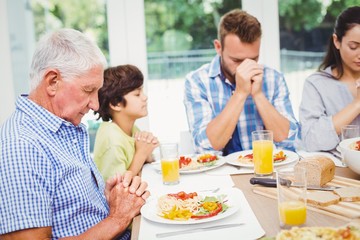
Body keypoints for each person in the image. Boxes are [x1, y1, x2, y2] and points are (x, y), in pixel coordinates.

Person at [0, 29, 149, 240]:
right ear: (52, 81)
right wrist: (116, 219)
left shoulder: (64, 125)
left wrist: (107, 199)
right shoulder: (21, 146)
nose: (96, 104)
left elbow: (71, 213)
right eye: (88, 90)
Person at [183, 9, 299, 156]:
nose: (246, 67)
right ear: (218, 47)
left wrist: (258, 95)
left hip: (266, 169)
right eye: (237, 60)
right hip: (220, 174)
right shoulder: (197, 82)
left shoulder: (274, 78)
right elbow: (206, 148)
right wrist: (240, 93)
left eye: (253, 59)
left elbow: (289, 141)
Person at [299, 6, 360, 152]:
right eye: (353, 47)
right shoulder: (316, 84)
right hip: (336, 172)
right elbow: (311, 141)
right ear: (337, 41)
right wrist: (357, 104)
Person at [93, 65, 159, 181]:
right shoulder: (111, 139)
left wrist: (147, 151)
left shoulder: (132, 129)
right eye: (137, 94)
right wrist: (142, 153)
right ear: (116, 103)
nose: (145, 97)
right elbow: (118, 190)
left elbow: (142, 165)